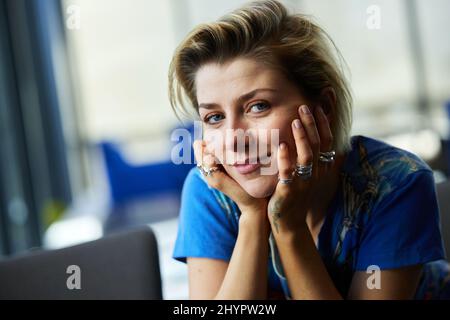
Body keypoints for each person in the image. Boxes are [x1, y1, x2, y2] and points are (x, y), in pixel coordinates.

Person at [169, 0, 449, 299]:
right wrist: (252, 216)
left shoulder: (397, 183)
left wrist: (287, 225)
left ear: (324, 108)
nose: (234, 139)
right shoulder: (210, 190)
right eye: (215, 117)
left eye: (258, 106)